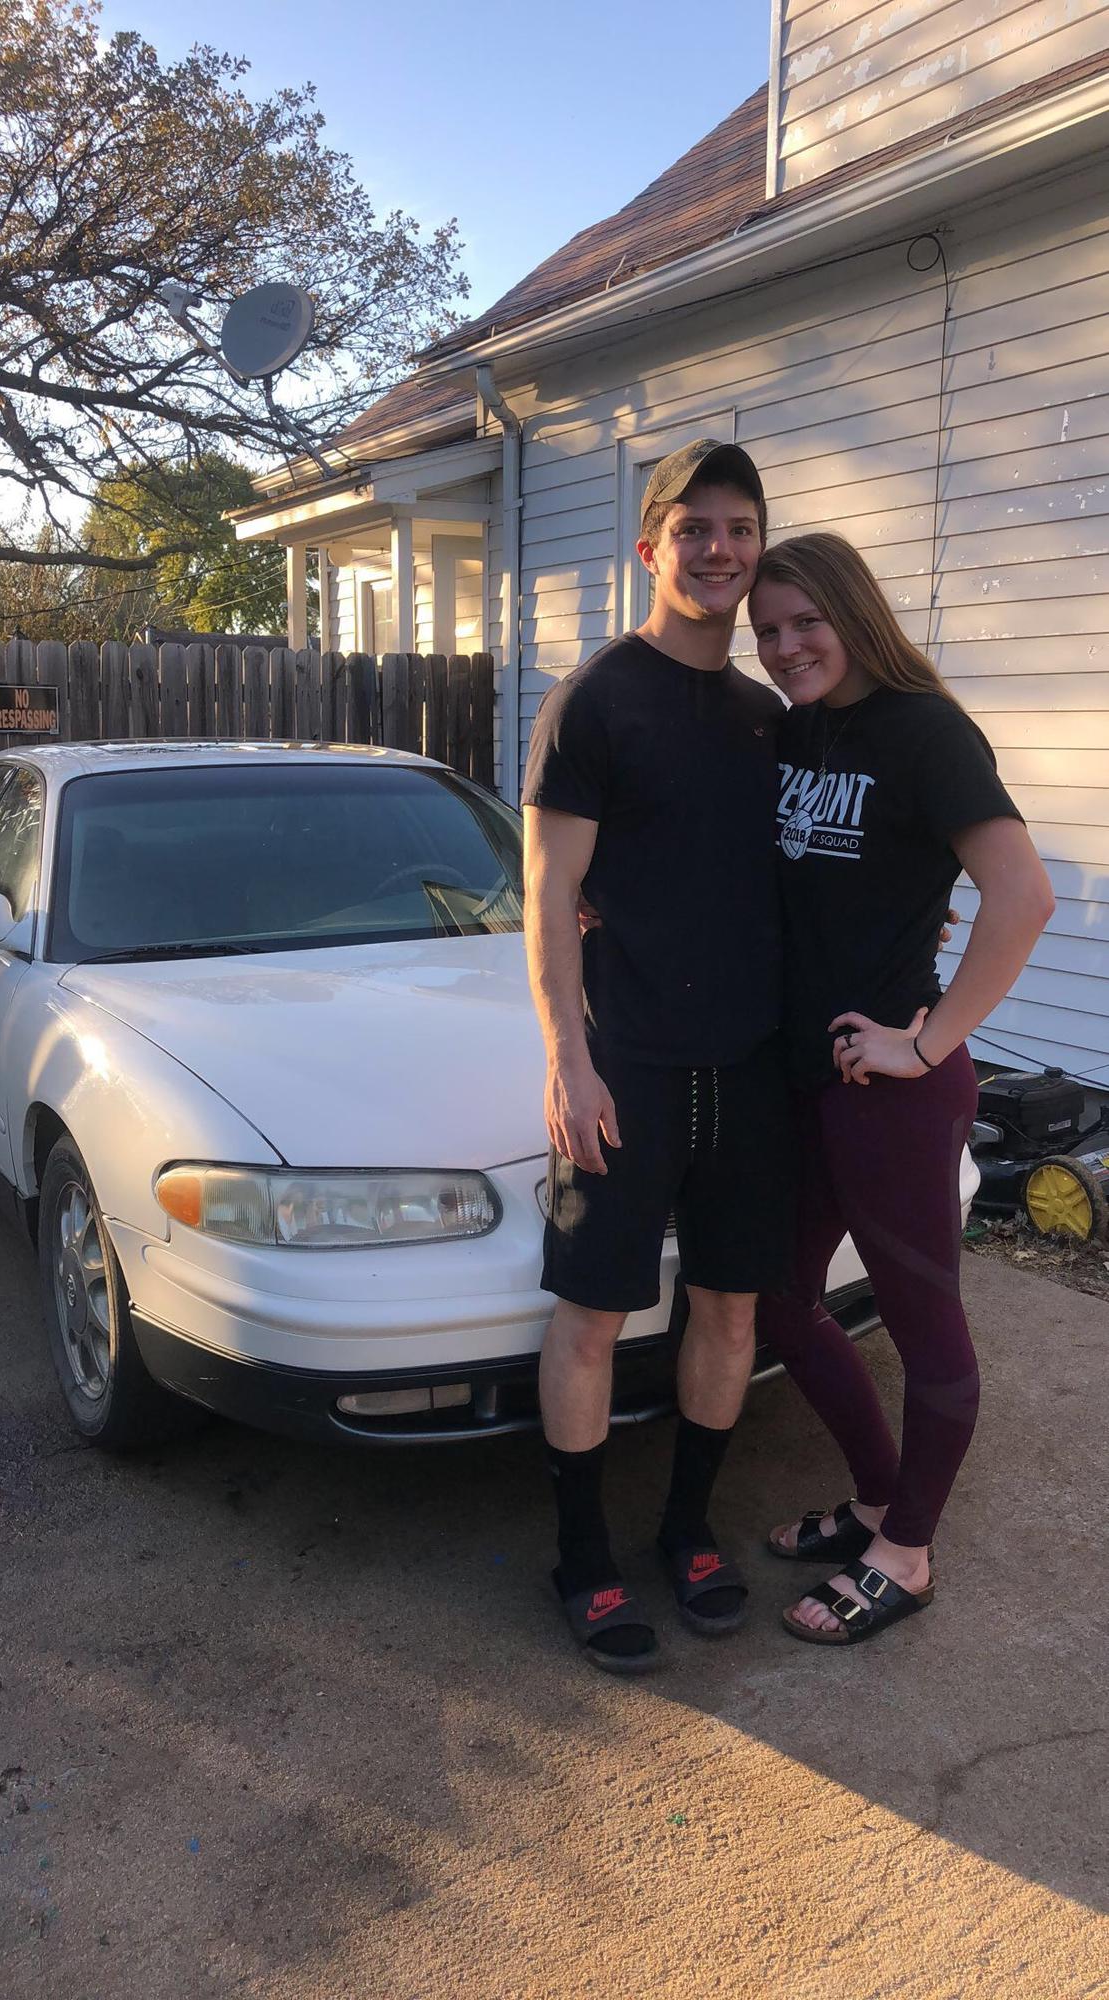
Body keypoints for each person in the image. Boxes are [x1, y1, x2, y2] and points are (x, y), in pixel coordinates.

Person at [749, 532, 1054, 1647]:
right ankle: (880, 1499)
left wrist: (925, 1047)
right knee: (778, 1301)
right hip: (800, 1080)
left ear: (855, 612)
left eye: (805, 623)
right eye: (767, 631)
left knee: (926, 1327)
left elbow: (1021, 895)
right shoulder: (795, 731)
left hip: (892, 1091)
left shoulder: (926, 731)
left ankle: (907, 1554)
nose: (785, 646)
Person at [521, 438, 791, 1673]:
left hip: (749, 1069)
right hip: (623, 1064)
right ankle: (581, 1553)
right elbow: (546, 893)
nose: (718, 549)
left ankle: (687, 1526)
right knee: (591, 1314)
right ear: (651, 547)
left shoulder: (771, 717)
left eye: (739, 528)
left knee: (729, 1306)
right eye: (695, 528)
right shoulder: (593, 700)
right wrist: (565, 1060)